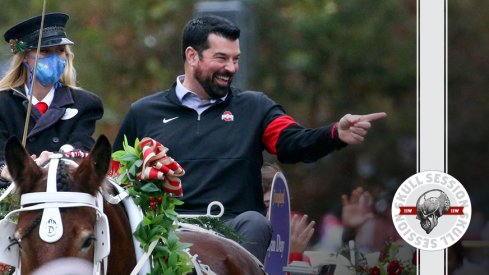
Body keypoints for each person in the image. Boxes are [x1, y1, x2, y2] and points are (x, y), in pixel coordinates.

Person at [113, 15, 386, 263]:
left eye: (236, 58)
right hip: (164, 233)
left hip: (232, 231)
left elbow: (292, 143)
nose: (231, 68)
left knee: (256, 223)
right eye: (221, 58)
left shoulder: (255, 108)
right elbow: (116, 180)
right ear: (192, 56)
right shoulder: (144, 113)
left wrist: (334, 133)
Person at [0, 13, 104, 187]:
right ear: (25, 57)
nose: (55, 59)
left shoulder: (85, 103)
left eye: (60, 51)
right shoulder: (3, 103)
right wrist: (6, 169)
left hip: (63, 193)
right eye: (45, 51)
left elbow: (82, 145)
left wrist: (57, 157)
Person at [261, 162, 315, 264]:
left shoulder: (294, 246)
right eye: (267, 206)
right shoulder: (241, 243)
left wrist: (294, 255)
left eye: (281, 208)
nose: (272, 214)